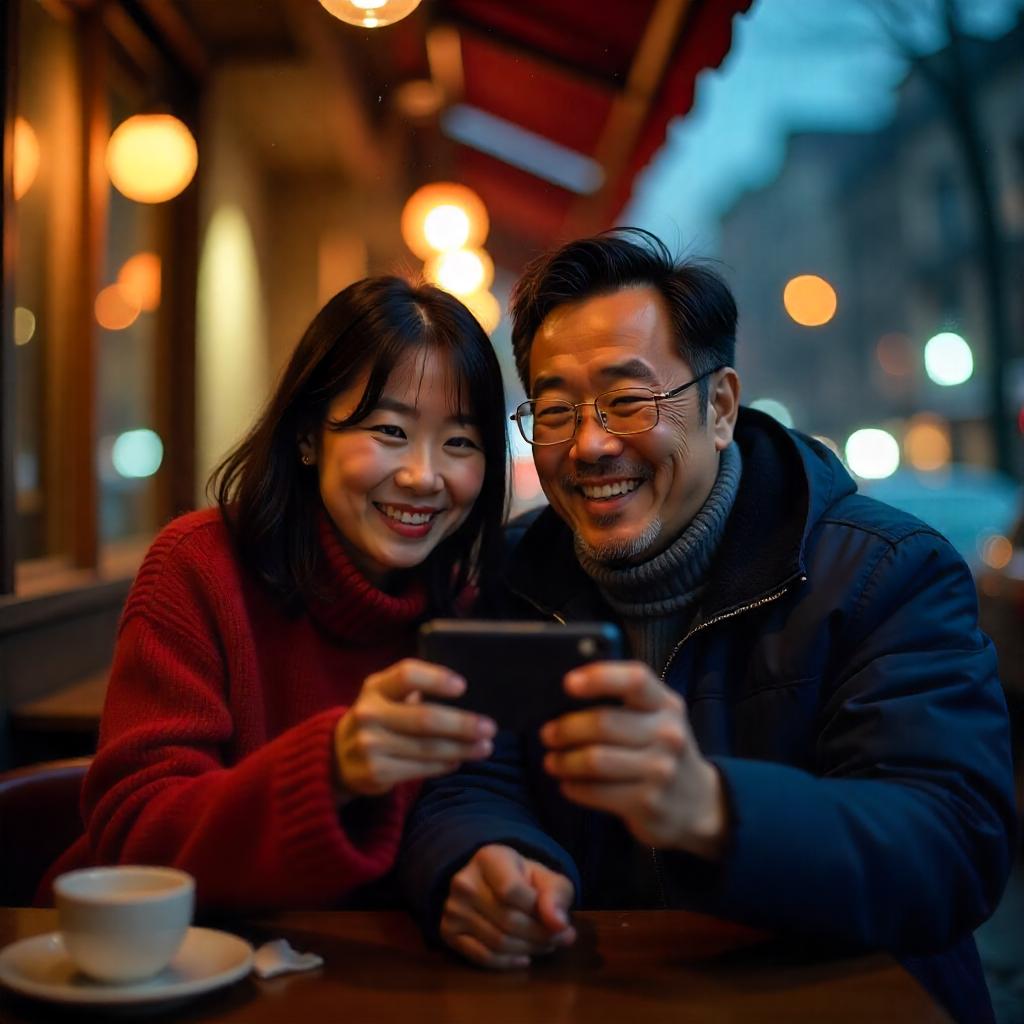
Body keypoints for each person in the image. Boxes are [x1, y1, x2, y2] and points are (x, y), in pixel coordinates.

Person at [400, 230, 1016, 1023]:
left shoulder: (884, 575)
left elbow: (952, 843)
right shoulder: (510, 576)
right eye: (554, 412)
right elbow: (467, 778)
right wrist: (484, 859)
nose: (590, 444)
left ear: (719, 406)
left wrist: (715, 809)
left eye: (628, 402)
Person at [41, 276, 508, 910]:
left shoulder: (470, 610)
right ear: (309, 436)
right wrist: (331, 768)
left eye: (459, 443)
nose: (424, 476)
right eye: (390, 431)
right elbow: (135, 838)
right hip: (157, 952)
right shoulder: (200, 566)